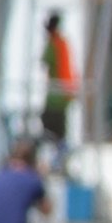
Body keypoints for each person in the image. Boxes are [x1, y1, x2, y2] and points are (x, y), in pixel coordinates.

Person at [39, 12, 78, 167]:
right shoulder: (62, 42)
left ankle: (60, 153)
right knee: (58, 127)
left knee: (50, 123)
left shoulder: (54, 43)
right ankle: (60, 151)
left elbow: (46, 61)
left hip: (56, 94)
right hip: (63, 92)